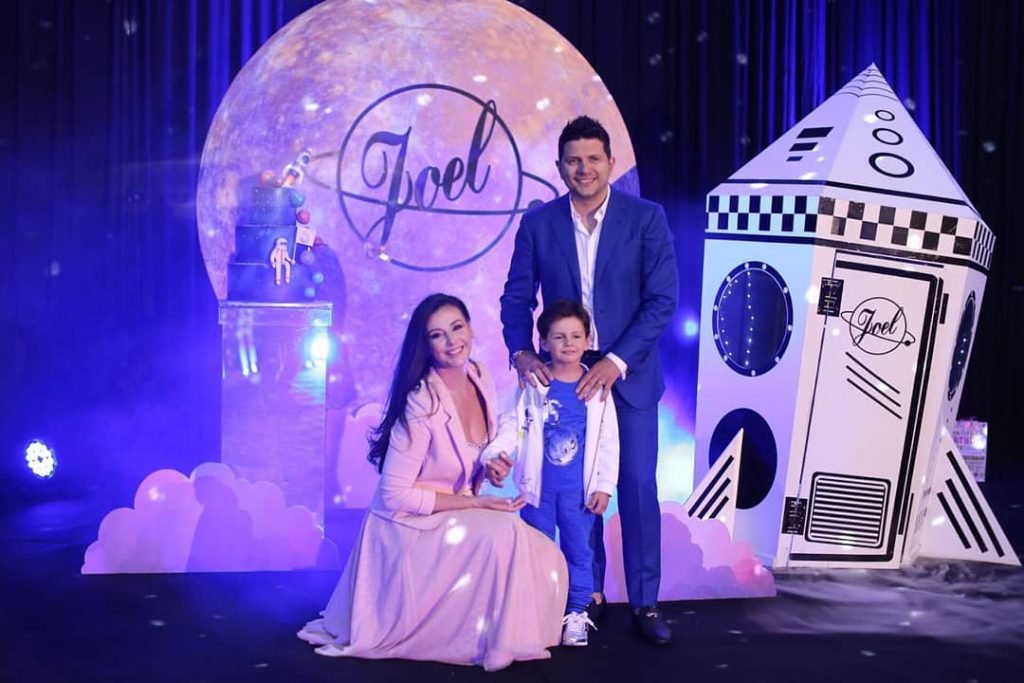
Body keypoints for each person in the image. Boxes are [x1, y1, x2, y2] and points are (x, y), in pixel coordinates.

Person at [298, 293, 569, 671]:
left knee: (546, 554)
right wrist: (476, 503)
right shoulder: (421, 403)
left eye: (457, 328)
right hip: (409, 526)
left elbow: (476, 453)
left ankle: (517, 636)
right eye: (437, 335)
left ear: (471, 329)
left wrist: (492, 467)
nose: (452, 341)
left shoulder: (480, 375)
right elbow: (395, 495)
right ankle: (498, 645)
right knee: (504, 531)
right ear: (425, 345)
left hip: (455, 517)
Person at [499, 115, 678, 645]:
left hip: (629, 372)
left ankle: (645, 604)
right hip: (563, 377)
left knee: (637, 485)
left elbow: (662, 299)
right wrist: (521, 352)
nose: (584, 169)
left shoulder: (646, 218)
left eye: (594, 159)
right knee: (575, 489)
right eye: (574, 160)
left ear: (610, 163)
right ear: (560, 167)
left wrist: (615, 361)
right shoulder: (539, 223)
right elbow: (516, 296)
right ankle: (585, 595)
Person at [482, 300, 619, 647]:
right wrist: (496, 454)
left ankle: (576, 614)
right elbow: (512, 426)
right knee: (537, 552)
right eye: (559, 337)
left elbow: (608, 441)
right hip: (537, 492)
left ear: (588, 340)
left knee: (579, 553)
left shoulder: (597, 389)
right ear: (543, 342)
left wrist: (604, 486)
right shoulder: (533, 384)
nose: (568, 343)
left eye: (576, 336)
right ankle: (540, 614)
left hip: (578, 495)